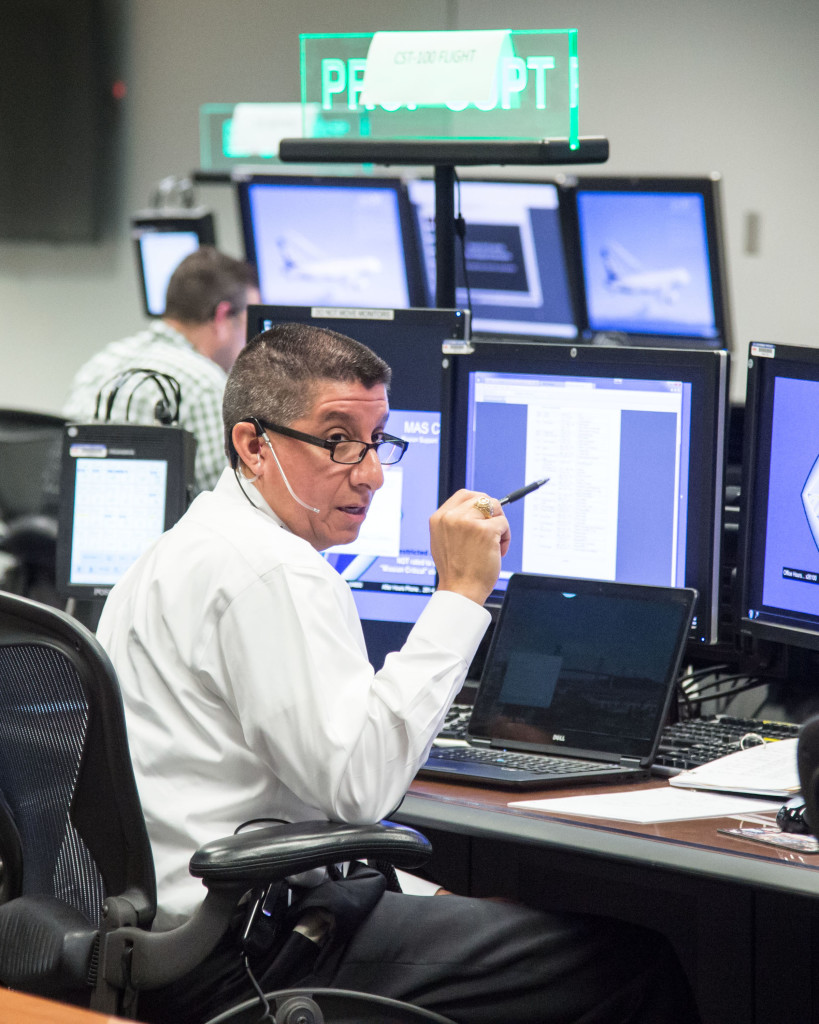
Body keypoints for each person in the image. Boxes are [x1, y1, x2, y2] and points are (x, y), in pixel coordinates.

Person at [97, 324, 700, 1024]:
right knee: (630, 966)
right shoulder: (274, 571)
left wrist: (420, 895)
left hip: (172, 938)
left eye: (378, 441)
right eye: (336, 441)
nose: (371, 472)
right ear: (252, 445)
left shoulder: (184, 546)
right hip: (245, 958)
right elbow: (360, 791)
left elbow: (283, 804)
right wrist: (459, 593)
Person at [62, 246, 260, 494]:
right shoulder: (205, 385)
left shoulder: (102, 362)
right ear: (222, 316)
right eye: (247, 321)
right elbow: (228, 500)